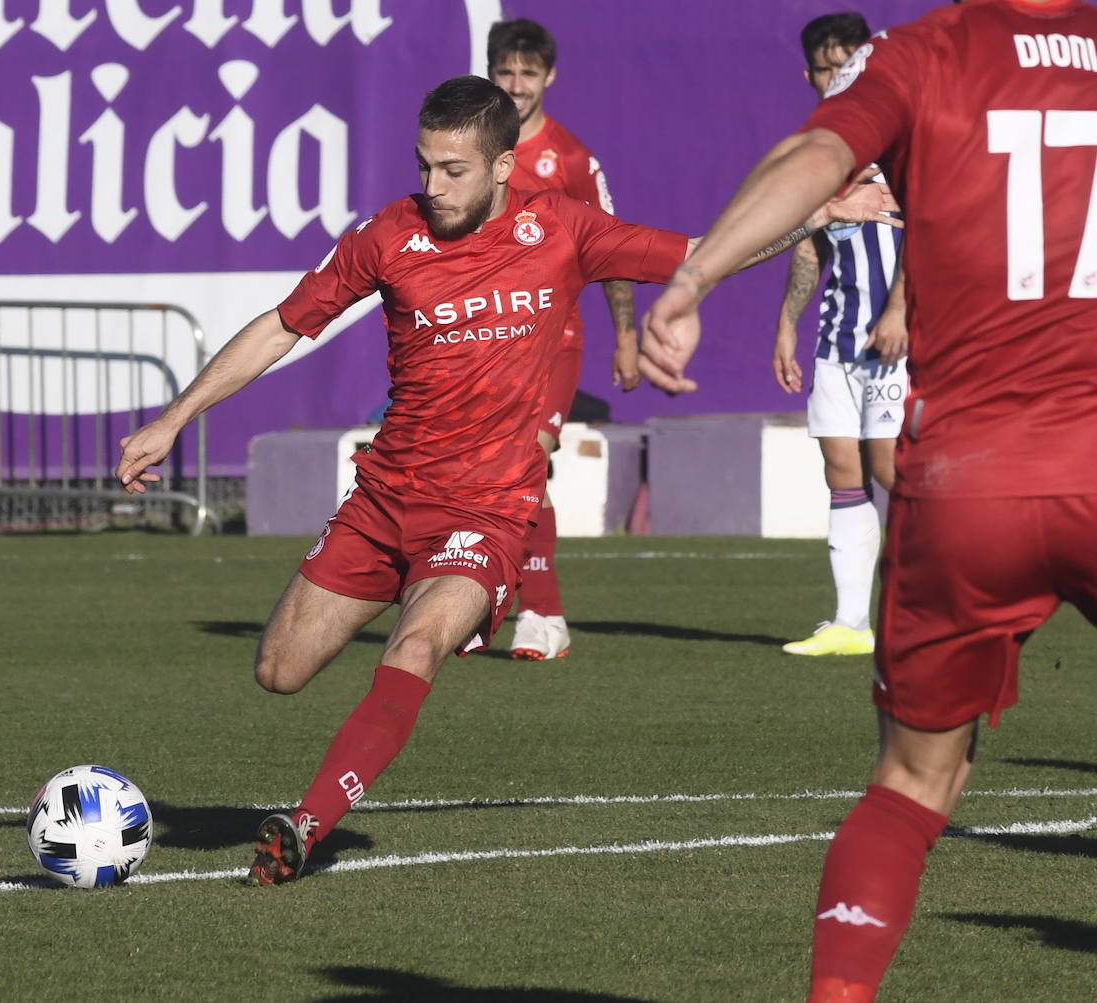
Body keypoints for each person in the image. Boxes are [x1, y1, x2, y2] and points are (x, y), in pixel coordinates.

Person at [117, 75, 895, 885]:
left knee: (418, 642)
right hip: (384, 500)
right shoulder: (387, 237)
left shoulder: (561, 228)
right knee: (278, 670)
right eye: (424, 165)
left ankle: (305, 826)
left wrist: (811, 215)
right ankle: (321, 776)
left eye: (453, 170)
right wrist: (175, 417)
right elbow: (284, 325)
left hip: (487, 509)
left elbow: (706, 255)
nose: (433, 186)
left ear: (502, 166)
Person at [639, 1, 1097, 998]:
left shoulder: (926, 53)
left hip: (971, 485)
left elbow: (816, 152)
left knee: (913, 782)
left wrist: (697, 275)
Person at [488, 18, 639, 661]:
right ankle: (496, 598)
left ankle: (540, 615)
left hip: (555, 338)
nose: (516, 85)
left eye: (528, 73)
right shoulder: (468, 148)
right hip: (485, 339)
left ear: (550, 76)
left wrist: (627, 335)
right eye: (505, 72)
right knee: (493, 473)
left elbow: (613, 249)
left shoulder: (570, 159)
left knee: (524, 460)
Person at [773, 12, 907, 658]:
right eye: (825, 67)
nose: (836, 77)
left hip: (895, 343)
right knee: (842, 469)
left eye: (846, 64)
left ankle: (920, 613)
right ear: (809, 74)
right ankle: (852, 622)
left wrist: (901, 309)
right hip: (835, 340)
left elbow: (930, 231)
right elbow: (809, 249)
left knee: (893, 469)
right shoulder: (817, 151)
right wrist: (785, 325)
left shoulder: (899, 144)